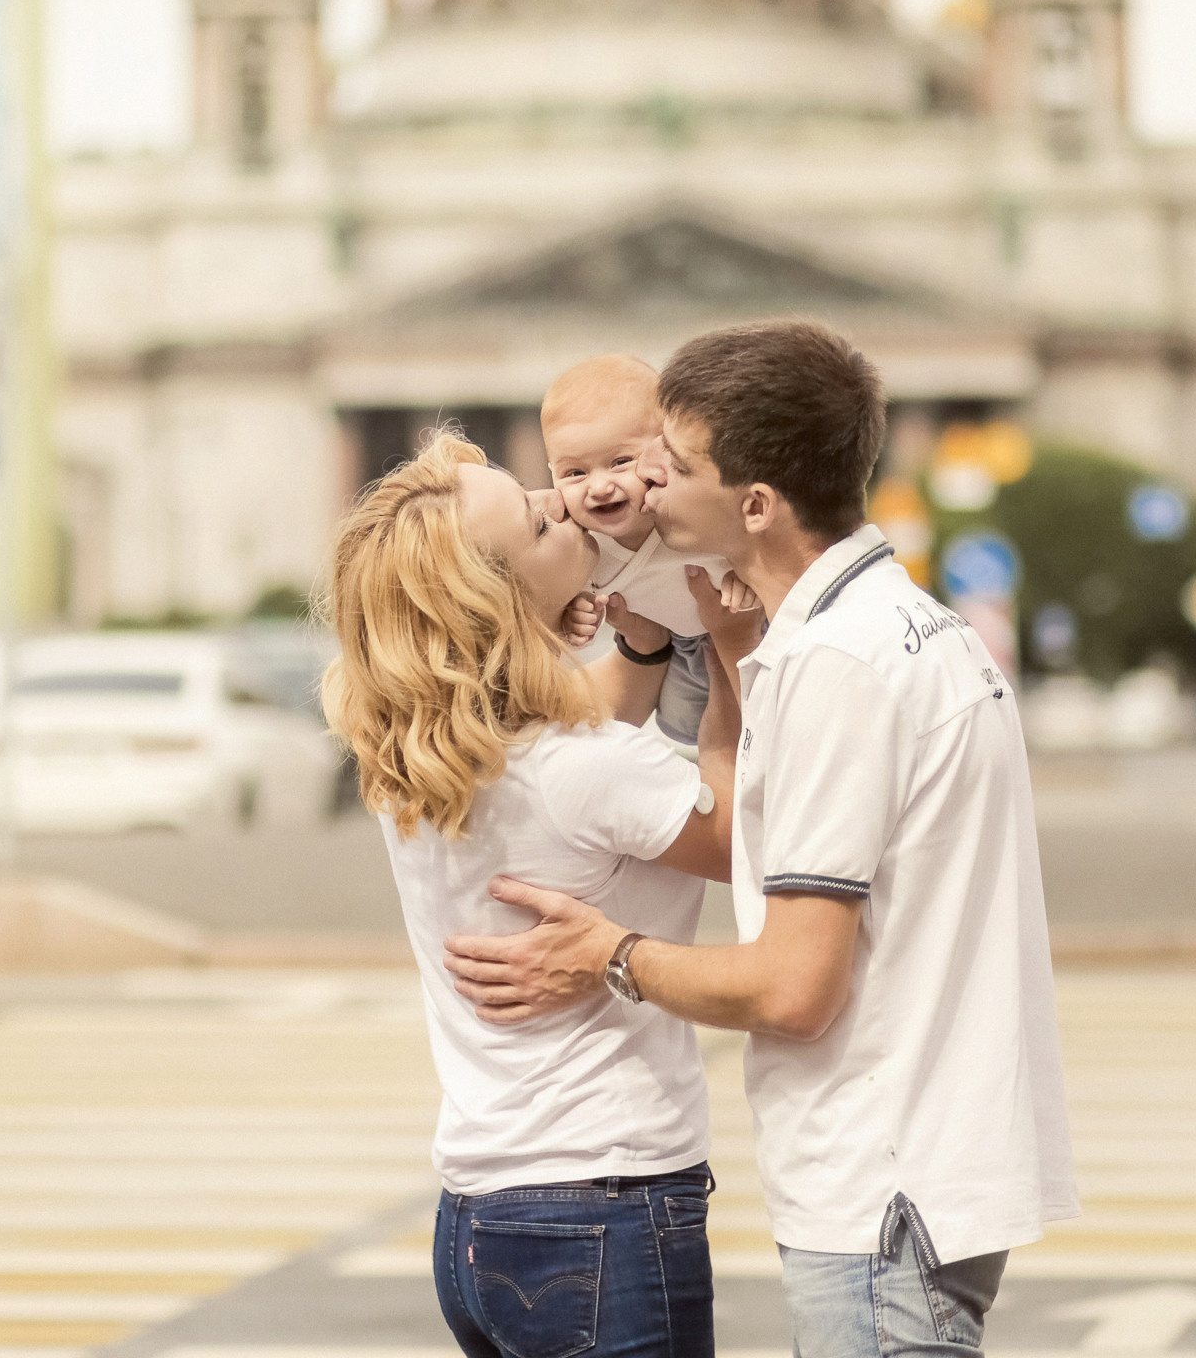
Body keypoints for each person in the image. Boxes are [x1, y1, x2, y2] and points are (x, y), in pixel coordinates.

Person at [442, 320, 1080, 1358]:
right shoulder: (913, 629)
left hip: (881, 1187)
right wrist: (727, 659)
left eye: (672, 463)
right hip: (924, 1167)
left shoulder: (838, 667)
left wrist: (607, 954)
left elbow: (794, 985)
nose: (642, 487)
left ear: (753, 504)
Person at [321, 429, 753, 1358]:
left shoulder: (424, 764)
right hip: (605, 1208)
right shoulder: (583, 770)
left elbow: (581, 737)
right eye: (535, 515)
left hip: (480, 1220)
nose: (562, 501)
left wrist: (635, 642)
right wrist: (726, 648)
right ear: (500, 595)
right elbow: (743, 841)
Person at [540, 353, 754, 743]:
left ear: (663, 452)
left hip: (753, 627)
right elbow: (564, 601)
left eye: (620, 462)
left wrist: (747, 577)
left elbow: (747, 536)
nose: (599, 486)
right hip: (681, 650)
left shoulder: (687, 508)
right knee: (686, 729)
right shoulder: (579, 544)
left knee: (770, 724)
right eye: (575, 473)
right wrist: (575, 614)